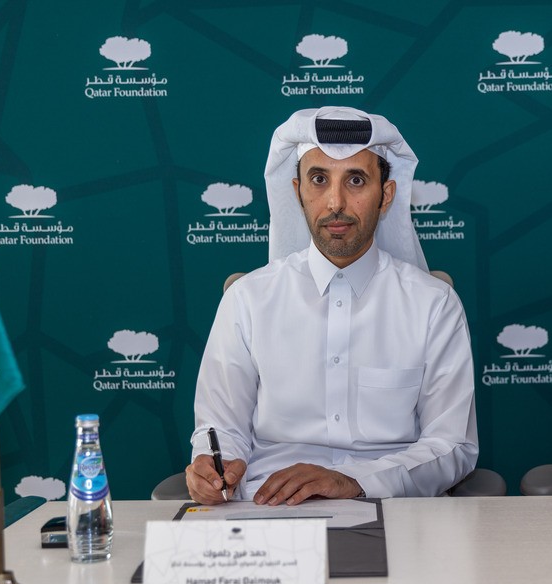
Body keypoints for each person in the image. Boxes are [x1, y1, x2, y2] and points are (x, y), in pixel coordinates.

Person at [187, 106, 478, 506]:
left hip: (395, 509)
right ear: (297, 192)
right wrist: (214, 465)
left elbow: (452, 446)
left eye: (356, 180)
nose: (335, 201)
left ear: (386, 195)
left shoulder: (433, 305)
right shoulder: (248, 300)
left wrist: (352, 480)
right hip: (268, 510)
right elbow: (222, 428)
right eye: (319, 179)